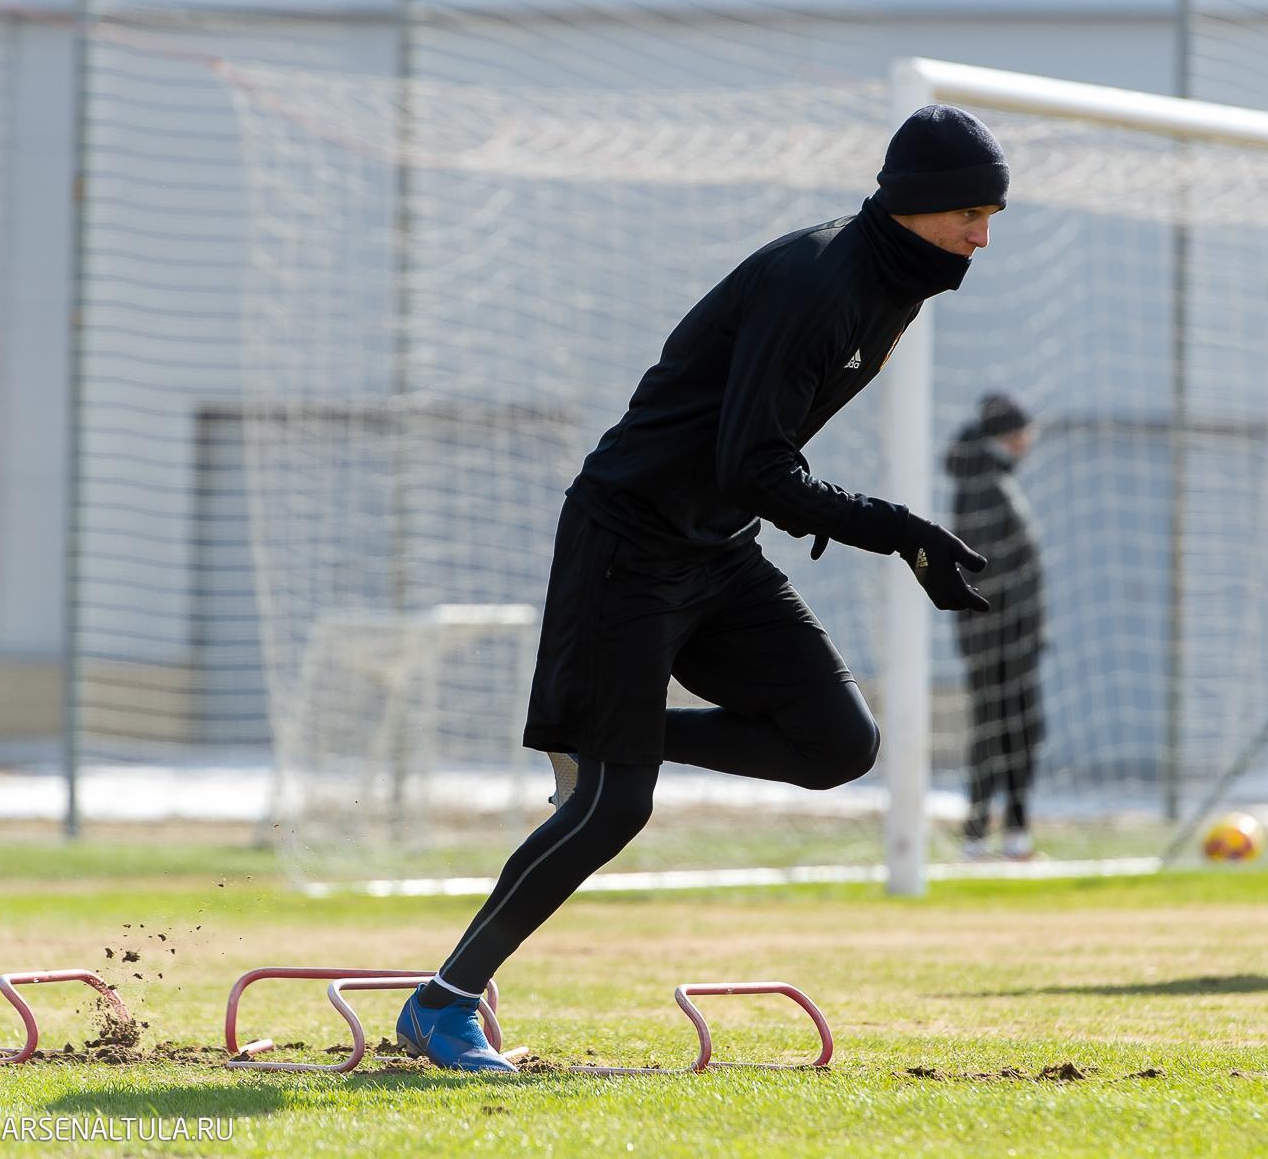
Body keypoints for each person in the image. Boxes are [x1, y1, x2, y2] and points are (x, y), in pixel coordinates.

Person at [394, 105, 1008, 1070]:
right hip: (628, 542)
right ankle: (443, 1003)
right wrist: (898, 532)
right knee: (614, 808)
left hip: (716, 550)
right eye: (970, 213)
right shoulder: (819, 282)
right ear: (917, 204)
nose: (982, 238)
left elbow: (747, 476)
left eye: (992, 217)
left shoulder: (899, 285)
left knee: (838, 743)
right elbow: (753, 465)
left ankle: (608, 733)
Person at [945, 392, 1046, 860]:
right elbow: (986, 571)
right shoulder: (985, 486)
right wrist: (1017, 628)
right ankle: (984, 835)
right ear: (1012, 435)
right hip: (1000, 637)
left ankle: (1005, 833)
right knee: (1004, 729)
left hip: (1008, 636)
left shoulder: (989, 480)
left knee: (1013, 729)